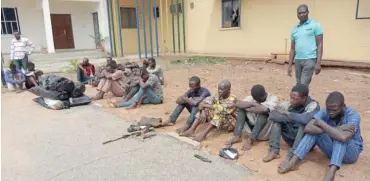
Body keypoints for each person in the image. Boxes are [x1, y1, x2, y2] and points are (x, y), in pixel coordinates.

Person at [278, 92, 363, 181]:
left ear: (343, 106)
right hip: (332, 150)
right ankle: (293, 162)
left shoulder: (353, 116)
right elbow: (308, 128)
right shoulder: (325, 111)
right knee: (315, 132)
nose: (331, 113)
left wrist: (321, 124)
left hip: (350, 154)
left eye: (335, 110)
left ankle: (331, 173)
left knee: (339, 137)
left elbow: (343, 137)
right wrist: (337, 128)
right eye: (329, 110)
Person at [263, 84, 320, 165]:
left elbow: (305, 119)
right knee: (277, 121)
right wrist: (291, 119)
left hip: (304, 142)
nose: (292, 100)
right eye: (291, 97)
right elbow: (272, 115)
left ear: (304, 98)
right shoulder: (290, 104)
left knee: (303, 124)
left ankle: (291, 156)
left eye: (295, 99)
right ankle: (274, 150)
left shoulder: (313, 106)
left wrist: (287, 114)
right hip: (291, 137)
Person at [225, 84, 278, 150]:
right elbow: (237, 103)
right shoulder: (253, 98)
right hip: (252, 129)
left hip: (265, 132)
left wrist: (248, 107)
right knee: (241, 109)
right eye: (256, 100)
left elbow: (264, 109)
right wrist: (252, 104)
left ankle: (250, 140)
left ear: (265, 94)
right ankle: (237, 136)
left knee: (263, 114)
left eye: (259, 100)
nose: (258, 101)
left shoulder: (273, 99)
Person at [287, 4, 323, 86]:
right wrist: (289, 65)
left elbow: (320, 44)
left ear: (308, 12)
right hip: (298, 60)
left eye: (303, 12)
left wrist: (318, 62)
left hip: (310, 59)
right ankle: (304, 98)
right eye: (299, 13)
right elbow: (292, 49)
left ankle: (304, 98)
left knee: (303, 84)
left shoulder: (315, 25)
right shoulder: (295, 29)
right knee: (299, 83)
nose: (301, 15)